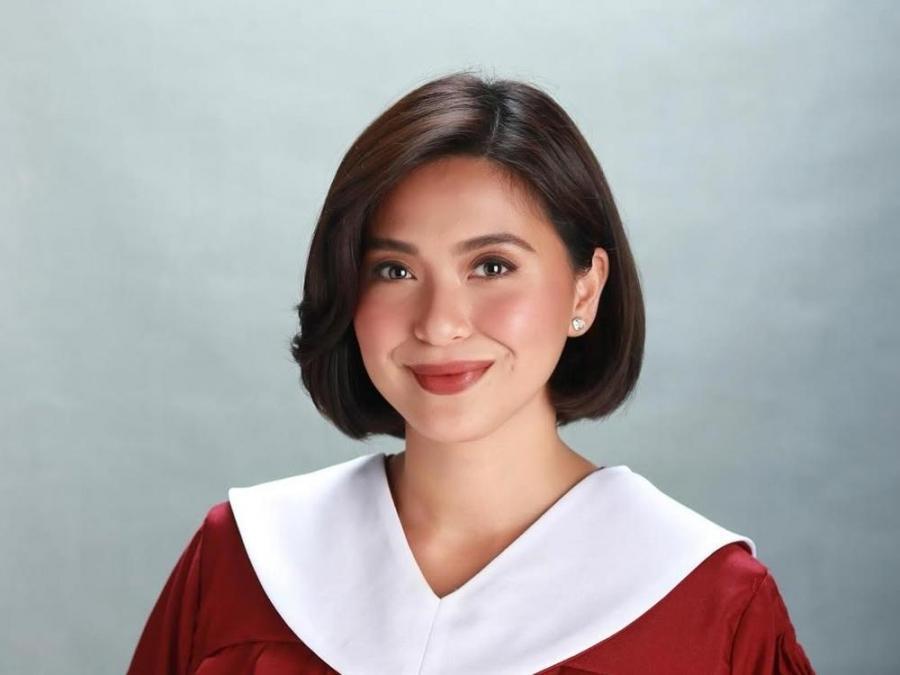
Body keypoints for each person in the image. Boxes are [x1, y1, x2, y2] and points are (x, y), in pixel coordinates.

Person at [126, 71, 816, 674]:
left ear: (584, 289)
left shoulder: (710, 604)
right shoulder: (243, 560)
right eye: (393, 270)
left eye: (491, 265)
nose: (439, 323)